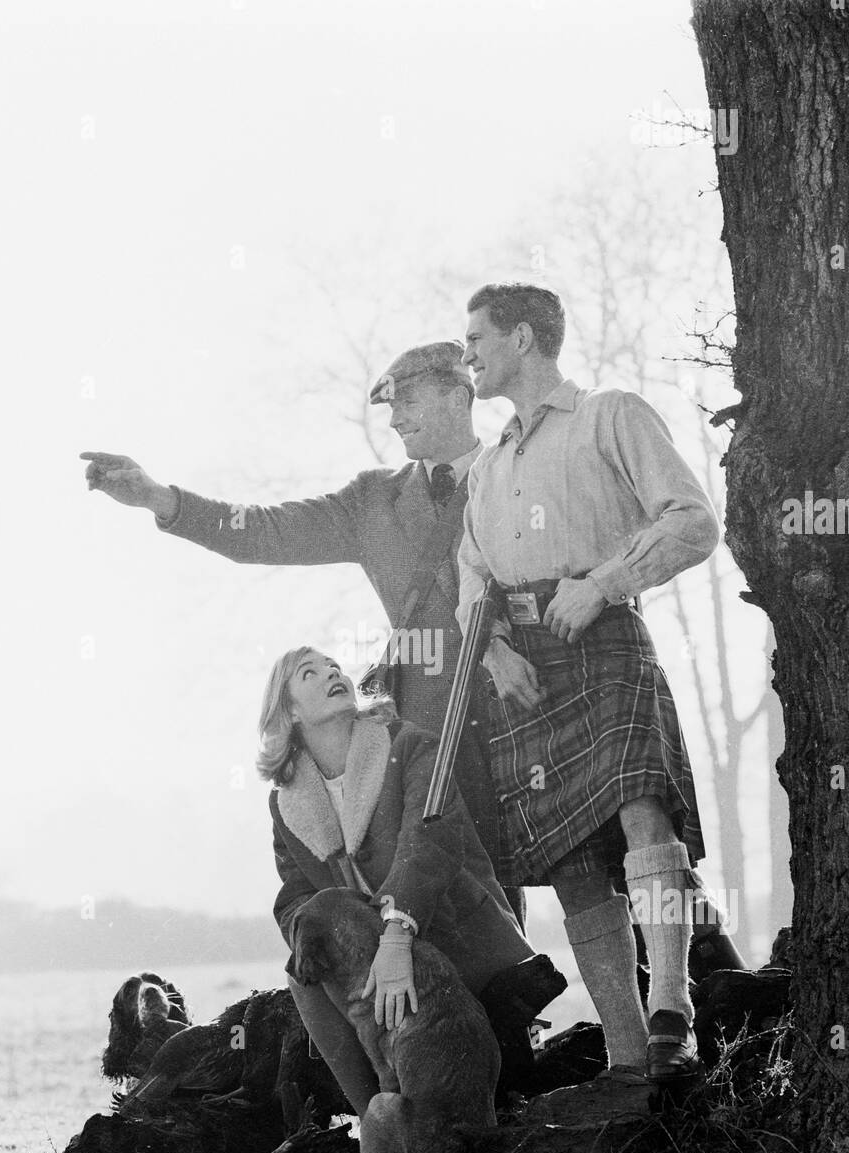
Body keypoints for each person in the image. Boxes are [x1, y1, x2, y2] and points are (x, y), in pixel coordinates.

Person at [79, 341, 522, 921]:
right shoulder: (372, 502)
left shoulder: (518, 472)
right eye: (389, 407)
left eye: (407, 400)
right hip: (432, 722)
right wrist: (160, 500)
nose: (395, 419)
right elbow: (265, 532)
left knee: (584, 868)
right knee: (459, 885)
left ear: (459, 394)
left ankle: (656, 1004)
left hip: (524, 697)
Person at [456, 282, 744, 1084]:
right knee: (575, 861)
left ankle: (672, 1013)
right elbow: (471, 574)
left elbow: (693, 520)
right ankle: (624, 1057)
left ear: (521, 337)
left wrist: (605, 584)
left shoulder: (610, 416)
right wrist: (493, 651)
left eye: (477, 338)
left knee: (643, 810)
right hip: (526, 671)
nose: (468, 353)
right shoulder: (487, 467)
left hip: (604, 633)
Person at [257, 645, 557, 1116]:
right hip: (367, 955)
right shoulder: (285, 802)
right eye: (309, 673)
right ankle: (378, 1119)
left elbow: (430, 839)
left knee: (500, 1101)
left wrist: (395, 935)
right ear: (289, 710)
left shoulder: (408, 743)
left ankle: (424, 1111)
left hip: (451, 928)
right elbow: (294, 895)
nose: (332, 672)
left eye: (333, 665)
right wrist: (313, 938)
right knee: (302, 978)